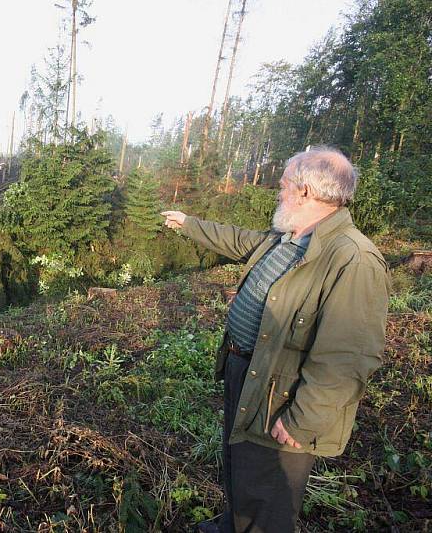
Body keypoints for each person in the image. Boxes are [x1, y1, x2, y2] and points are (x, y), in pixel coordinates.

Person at [161, 146, 390, 533]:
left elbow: (349, 357)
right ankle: (232, 526)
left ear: (304, 192)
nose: (278, 192)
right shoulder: (291, 237)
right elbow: (238, 240)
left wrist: (304, 420)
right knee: (241, 468)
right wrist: (189, 223)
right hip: (248, 372)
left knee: (269, 493)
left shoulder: (353, 259)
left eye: (283, 185)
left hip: (281, 396)